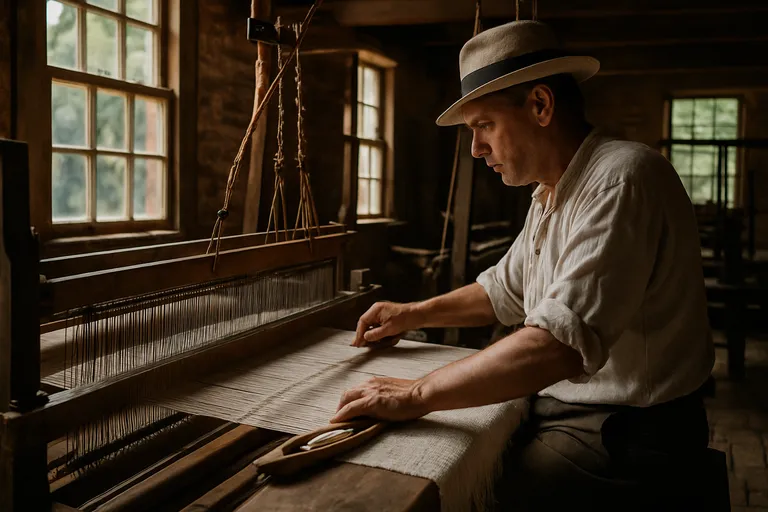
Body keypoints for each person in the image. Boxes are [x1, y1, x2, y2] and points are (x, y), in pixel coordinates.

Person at [331, 20, 716, 511]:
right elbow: (503, 292)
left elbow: (556, 346)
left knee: (465, 495)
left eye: (484, 126)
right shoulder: (553, 194)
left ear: (540, 105)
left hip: (630, 435)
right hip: (578, 412)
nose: (476, 149)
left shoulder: (621, 180)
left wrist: (418, 393)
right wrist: (413, 314)